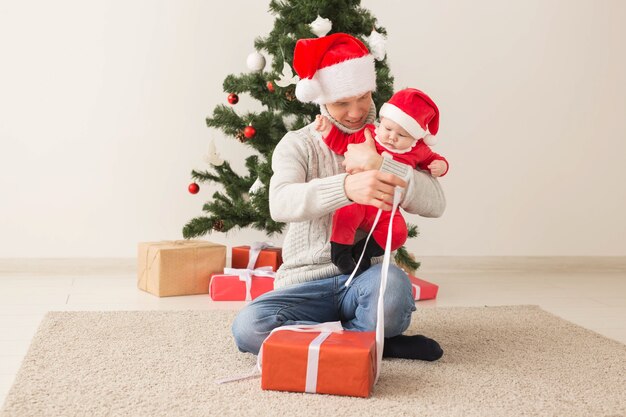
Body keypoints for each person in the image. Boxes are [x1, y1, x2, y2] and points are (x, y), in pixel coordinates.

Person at [231, 33, 446, 361]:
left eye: (362, 97)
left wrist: (382, 165)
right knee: (248, 328)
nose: (356, 111)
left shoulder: (392, 136)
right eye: (342, 102)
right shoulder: (300, 143)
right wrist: (345, 189)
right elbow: (280, 202)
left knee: (393, 290)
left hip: (365, 278)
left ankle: (344, 337)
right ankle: (370, 340)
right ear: (321, 98)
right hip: (305, 281)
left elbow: (436, 202)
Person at [314, 88, 449, 275]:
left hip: (387, 207)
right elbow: (342, 144)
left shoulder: (418, 150)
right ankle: (341, 252)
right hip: (359, 199)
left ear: (415, 138)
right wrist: (328, 130)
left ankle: (364, 251)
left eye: (402, 135)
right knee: (346, 214)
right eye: (388, 129)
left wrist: (441, 166)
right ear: (381, 122)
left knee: (398, 232)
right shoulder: (368, 134)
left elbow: (434, 159)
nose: (392, 137)